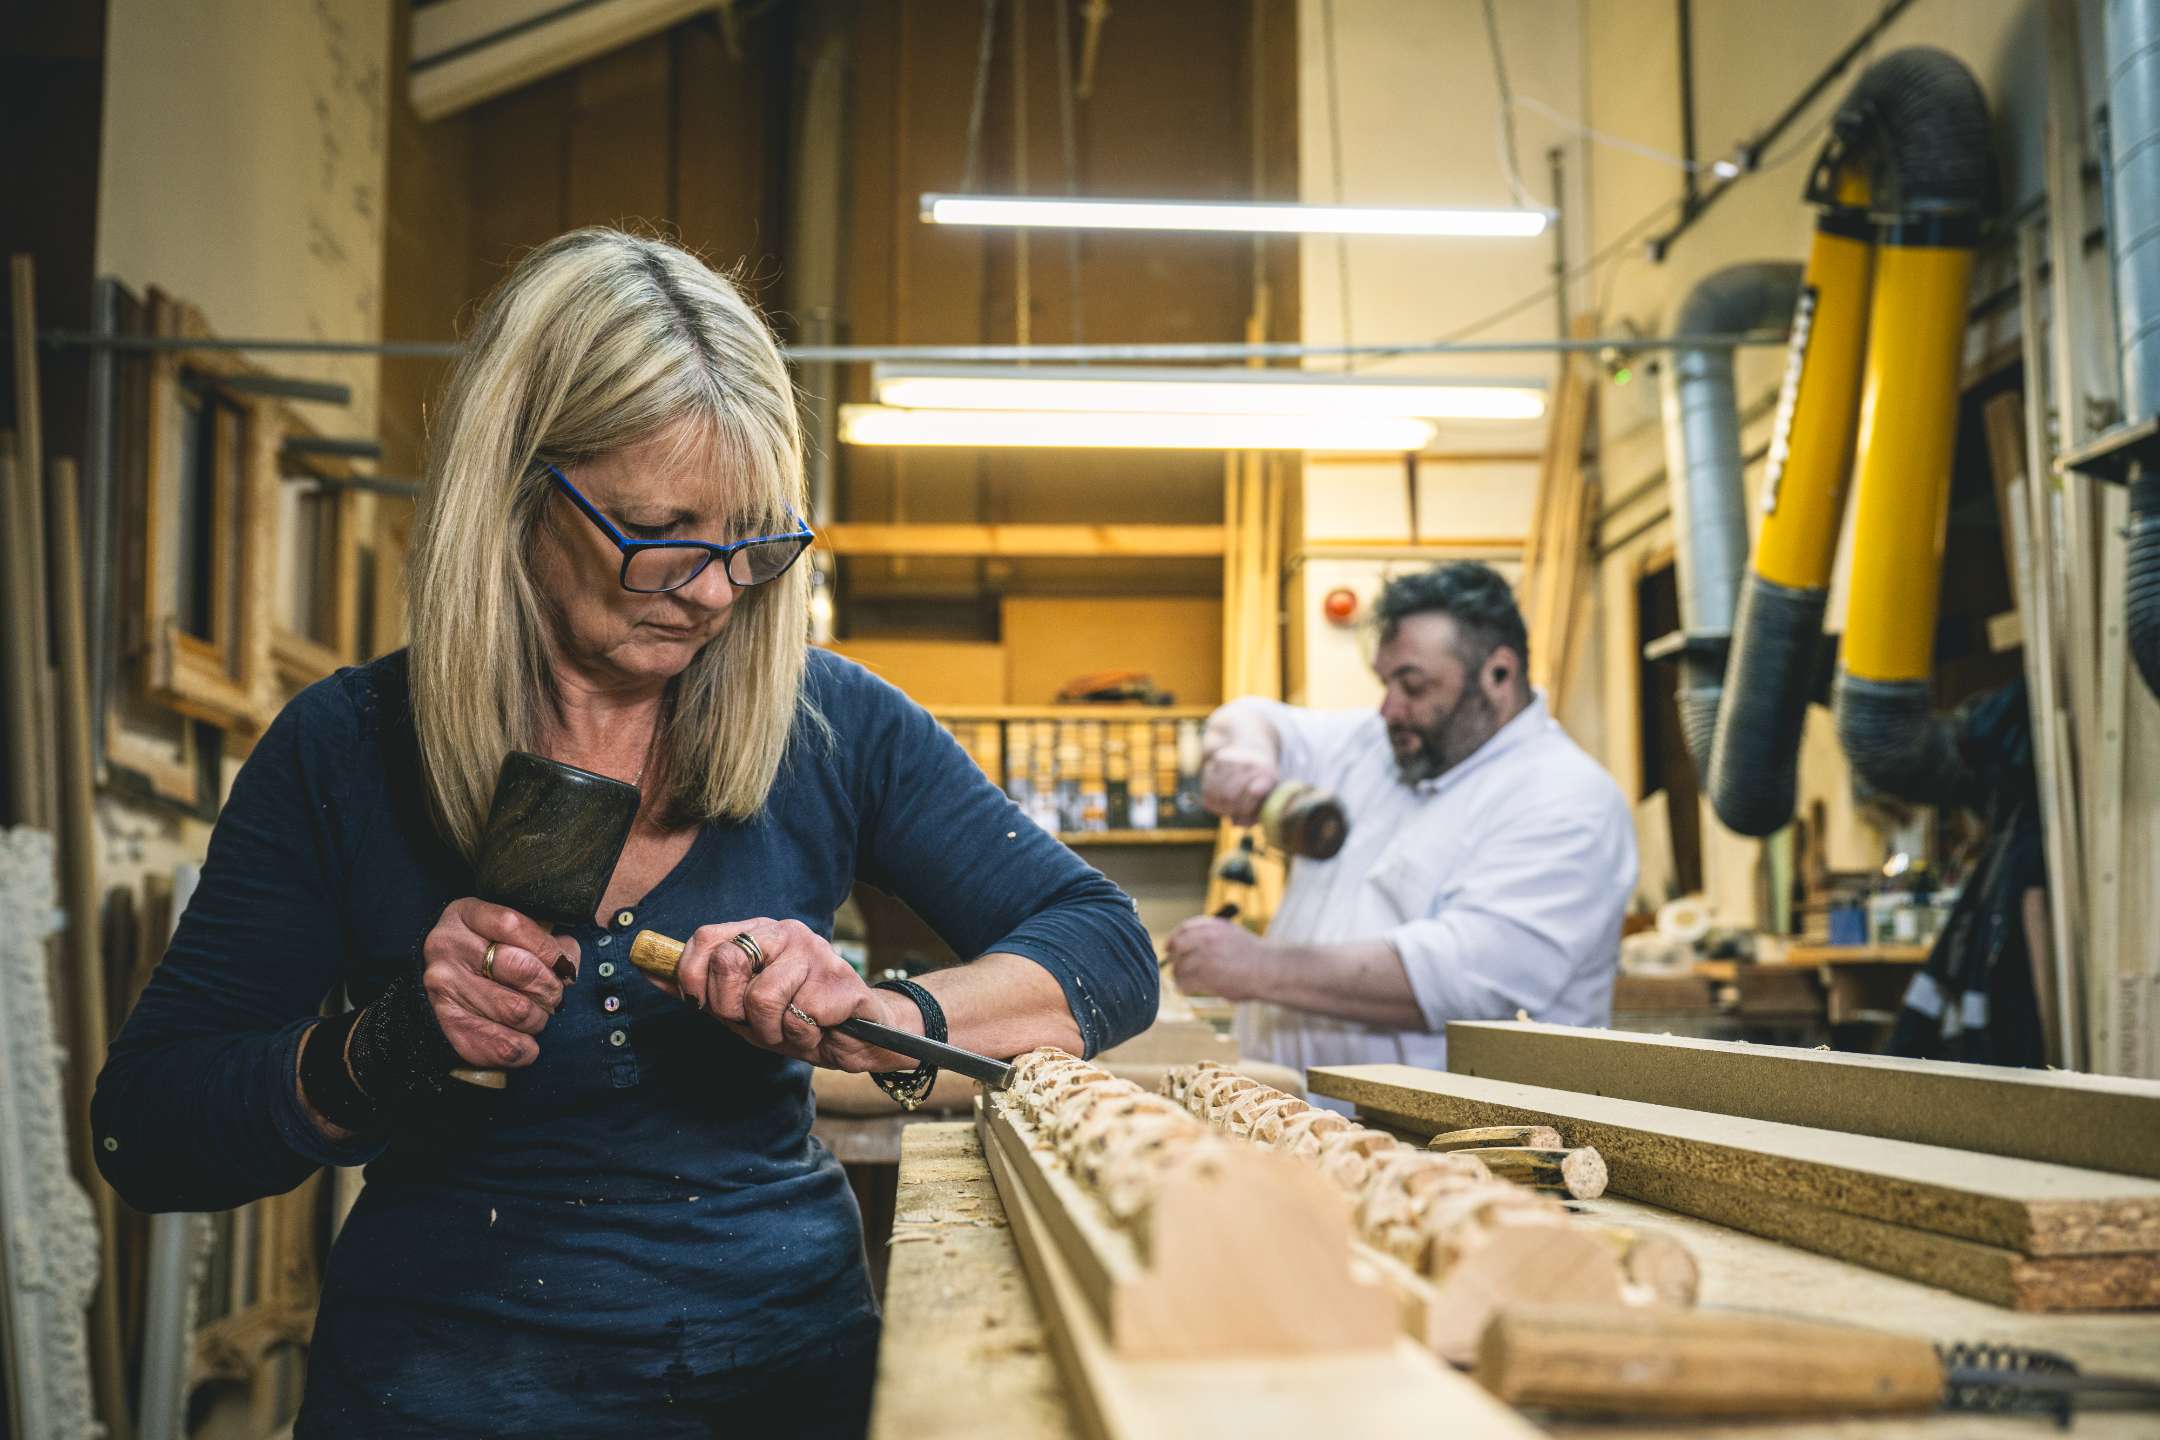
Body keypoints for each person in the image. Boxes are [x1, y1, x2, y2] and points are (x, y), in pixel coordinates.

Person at [93, 229, 1158, 1438]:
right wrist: (385, 1048)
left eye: (750, 542)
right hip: (442, 1393)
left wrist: (886, 1015)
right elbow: (148, 1130)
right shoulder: (347, 748)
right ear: (520, 488)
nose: (713, 591)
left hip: (785, 1383)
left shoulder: (830, 722)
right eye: (662, 529)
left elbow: (1106, 947)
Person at [1163, 562, 1633, 1089]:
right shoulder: (1385, 746)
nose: (1389, 708)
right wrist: (1245, 755)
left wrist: (1258, 968)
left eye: (1412, 685)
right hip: (1310, 1124)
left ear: (1498, 674)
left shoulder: (1564, 799)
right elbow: (1251, 715)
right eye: (1386, 683)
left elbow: (1455, 979)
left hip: (1453, 1148)